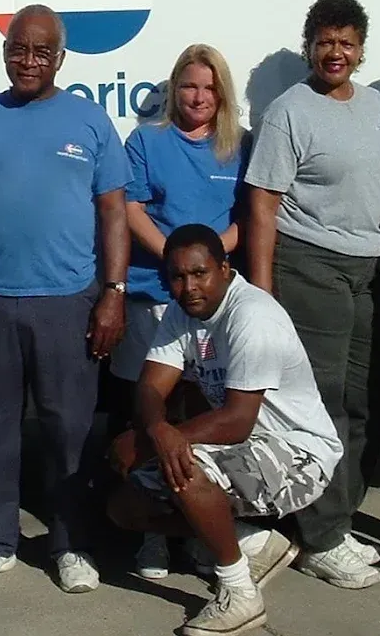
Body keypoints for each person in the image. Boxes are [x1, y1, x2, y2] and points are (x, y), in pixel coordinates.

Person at [0, 4, 132, 594]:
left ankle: (70, 544)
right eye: (19, 49)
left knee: (69, 431)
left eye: (41, 51)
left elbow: (114, 212)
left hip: (69, 300)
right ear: (4, 53)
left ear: (60, 59)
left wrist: (113, 295)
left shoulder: (90, 122)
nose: (28, 61)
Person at [107, 223, 343, 636]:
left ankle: (241, 595)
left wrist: (170, 439)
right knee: (123, 488)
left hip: (298, 453)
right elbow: (149, 386)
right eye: (178, 277)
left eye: (200, 274)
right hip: (243, 445)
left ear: (224, 268)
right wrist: (159, 429)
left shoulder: (252, 314)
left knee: (187, 466)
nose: (189, 286)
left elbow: (237, 421)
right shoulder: (182, 311)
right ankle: (252, 543)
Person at [242, 0, 380, 589]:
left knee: (367, 400)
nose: (336, 52)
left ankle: (339, 518)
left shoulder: (377, 104)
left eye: (347, 42)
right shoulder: (290, 110)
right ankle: (321, 539)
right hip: (310, 264)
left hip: (367, 267)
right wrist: (264, 291)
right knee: (324, 401)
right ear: (309, 46)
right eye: (325, 41)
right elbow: (262, 203)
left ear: (360, 49)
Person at [108, 43, 252, 581]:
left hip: (214, 304)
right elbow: (132, 208)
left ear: (222, 94)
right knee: (151, 414)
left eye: (209, 88)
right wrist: (177, 262)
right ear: (175, 89)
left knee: (200, 415)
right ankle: (151, 533)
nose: (199, 96)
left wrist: (210, 263)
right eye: (190, 86)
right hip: (154, 294)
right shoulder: (147, 141)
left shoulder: (237, 148)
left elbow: (245, 218)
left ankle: (194, 528)